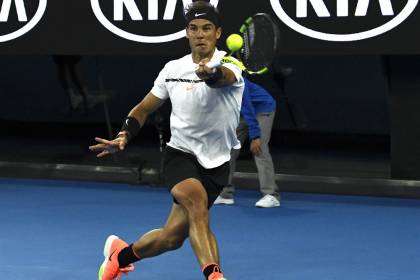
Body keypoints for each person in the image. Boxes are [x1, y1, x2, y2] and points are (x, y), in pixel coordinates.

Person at [89, 1, 244, 280]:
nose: (200, 34)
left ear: (218, 33)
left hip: (217, 162)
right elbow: (144, 108)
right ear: (186, 33)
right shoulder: (172, 69)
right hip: (180, 156)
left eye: (207, 28)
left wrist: (211, 74)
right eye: (194, 28)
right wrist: (126, 133)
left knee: (172, 238)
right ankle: (214, 275)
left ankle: (119, 255)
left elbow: (223, 78)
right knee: (197, 204)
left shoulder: (232, 64)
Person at [214, 78, 280, 208]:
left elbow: (247, 108)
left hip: (262, 109)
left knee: (259, 149)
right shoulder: (211, 82)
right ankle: (225, 194)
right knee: (228, 150)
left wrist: (255, 136)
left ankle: (271, 195)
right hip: (241, 112)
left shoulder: (236, 83)